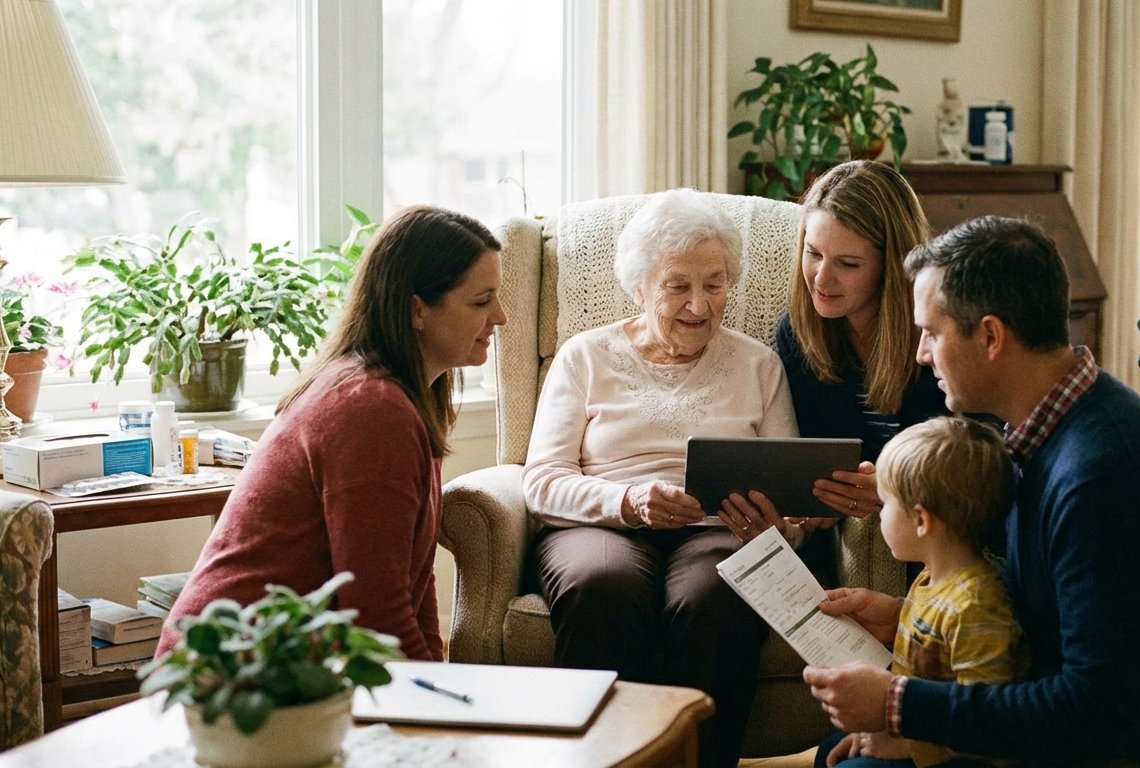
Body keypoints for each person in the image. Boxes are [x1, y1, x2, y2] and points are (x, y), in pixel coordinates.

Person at [804, 216, 1140, 766]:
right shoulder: (1048, 428)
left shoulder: (1103, 478)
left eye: (932, 333)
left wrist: (900, 704)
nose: (921, 353)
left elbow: (1096, 717)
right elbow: (1054, 607)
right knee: (838, 755)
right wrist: (917, 618)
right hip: (1106, 727)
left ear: (990, 336)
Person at [522, 188, 799, 768]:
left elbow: (791, 489)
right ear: (640, 285)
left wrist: (784, 527)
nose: (699, 304)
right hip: (600, 523)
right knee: (603, 587)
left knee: (718, 593)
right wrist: (628, 501)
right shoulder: (584, 356)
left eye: (715, 283)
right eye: (678, 286)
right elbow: (542, 480)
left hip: (717, 528)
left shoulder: (759, 364)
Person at [158, 205, 506, 662]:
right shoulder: (373, 411)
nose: (500, 317)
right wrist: (435, 710)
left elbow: (411, 585)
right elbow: (376, 614)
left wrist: (440, 686)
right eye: (481, 301)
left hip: (297, 662)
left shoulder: (405, 396)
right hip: (235, 672)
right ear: (417, 309)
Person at [771, 160, 948, 582]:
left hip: (936, 527)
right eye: (813, 254)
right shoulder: (797, 332)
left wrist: (892, 488)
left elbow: (977, 457)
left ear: (892, 266)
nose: (821, 278)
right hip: (830, 541)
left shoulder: (938, 331)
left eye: (848, 264)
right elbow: (814, 453)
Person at [817, 416, 1027, 768]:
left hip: (951, 754)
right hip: (918, 729)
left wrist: (906, 748)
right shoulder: (931, 579)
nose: (879, 518)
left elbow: (987, 726)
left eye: (885, 504)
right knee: (831, 749)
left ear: (921, 521)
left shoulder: (977, 608)